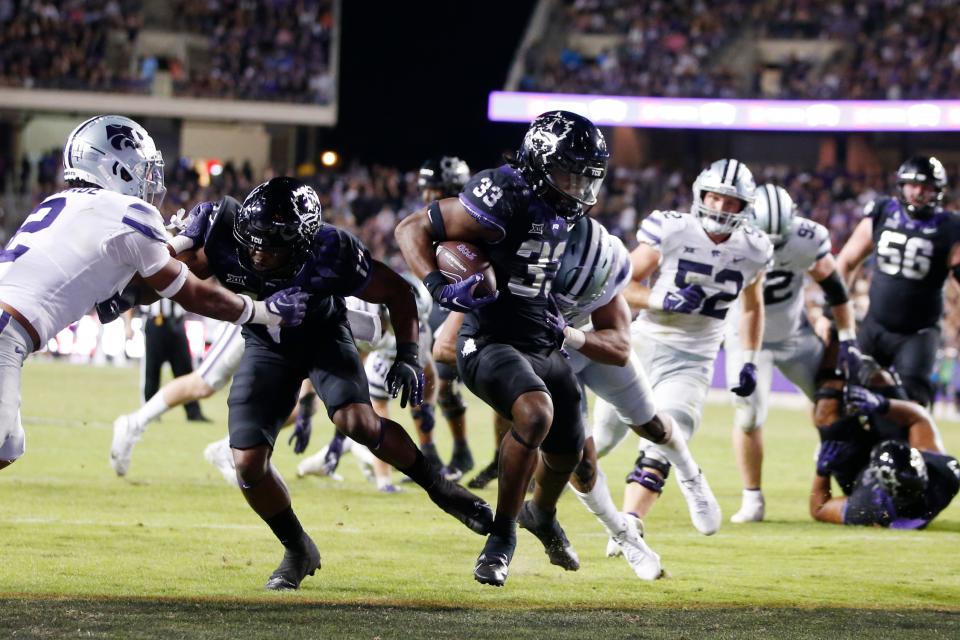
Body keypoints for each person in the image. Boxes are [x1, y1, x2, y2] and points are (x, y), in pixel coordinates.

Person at [174, 176, 492, 590]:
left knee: (357, 421)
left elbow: (397, 292)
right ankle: (297, 548)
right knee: (248, 465)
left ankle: (439, 487)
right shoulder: (224, 234)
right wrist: (178, 243)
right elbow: (172, 279)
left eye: (269, 245)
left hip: (323, 334)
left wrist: (409, 355)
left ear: (302, 243)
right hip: (266, 345)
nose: (256, 252)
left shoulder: (332, 250)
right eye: (251, 241)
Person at [0, 114, 306, 473]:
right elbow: (194, 295)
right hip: (7, 333)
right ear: (114, 167)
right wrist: (264, 312)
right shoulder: (126, 211)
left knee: (8, 445)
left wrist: (178, 246)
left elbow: (129, 295)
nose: (149, 182)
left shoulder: (63, 204)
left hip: (9, 332)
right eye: (141, 170)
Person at [396, 110, 608, 587]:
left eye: (584, 177)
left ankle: (543, 515)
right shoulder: (504, 192)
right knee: (534, 414)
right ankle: (502, 537)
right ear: (539, 163)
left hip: (541, 339)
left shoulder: (563, 210)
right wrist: (437, 286)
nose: (577, 187)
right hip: (488, 339)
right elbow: (411, 227)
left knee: (574, 454)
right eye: (567, 173)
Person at [597, 158, 771, 538]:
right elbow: (617, 285)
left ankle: (630, 526)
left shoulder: (755, 248)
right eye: (715, 197)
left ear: (746, 207)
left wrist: (749, 360)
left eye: (731, 201)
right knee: (602, 440)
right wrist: (663, 298)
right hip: (643, 346)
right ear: (700, 195)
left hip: (695, 359)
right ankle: (541, 483)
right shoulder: (673, 229)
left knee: (666, 441)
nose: (721, 207)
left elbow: (753, 307)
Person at [724, 184, 861, 523]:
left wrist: (847, 339)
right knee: (749, 416)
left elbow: (836, 289)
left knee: (834, 400)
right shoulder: (724, 237)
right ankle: (752, 497)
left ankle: (843, 473)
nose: (771, 246)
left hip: (794, 336)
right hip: (744, 340)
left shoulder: (805, 238)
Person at [836, 156, 960, 407]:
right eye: (912, 185)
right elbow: (846, 262)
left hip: (919, 332)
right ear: (901, 186)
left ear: (937, 191)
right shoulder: (883, 211)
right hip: (875, 326)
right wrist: (836, 310)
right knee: (847, 396)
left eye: (926, 187)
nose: (918, 192)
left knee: (912, 406)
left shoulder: (950, 226)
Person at [809, 348, 958, 528]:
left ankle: (833, 342)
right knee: (875, 375)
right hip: (897, 449)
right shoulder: (944, 475)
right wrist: (881, 404)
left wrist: (822, 472)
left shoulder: (870, 507)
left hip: (857, 473)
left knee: (827, 408)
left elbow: (819, 508)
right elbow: (919, 418)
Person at [418, 156, 478, 480]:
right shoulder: (429, 220)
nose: (429, 197)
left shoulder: (469, 221)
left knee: (439, 382)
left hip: (465, 303)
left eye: (436, 190)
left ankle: (460, 452)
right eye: (427, 190)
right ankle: (451, 454)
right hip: (435, 305)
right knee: (430, 383)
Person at [138, 299, 209, 423]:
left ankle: (194, 413)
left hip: (177, 321)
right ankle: (150, 413)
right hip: (155, 322)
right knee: (152, 371)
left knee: (185, 370)